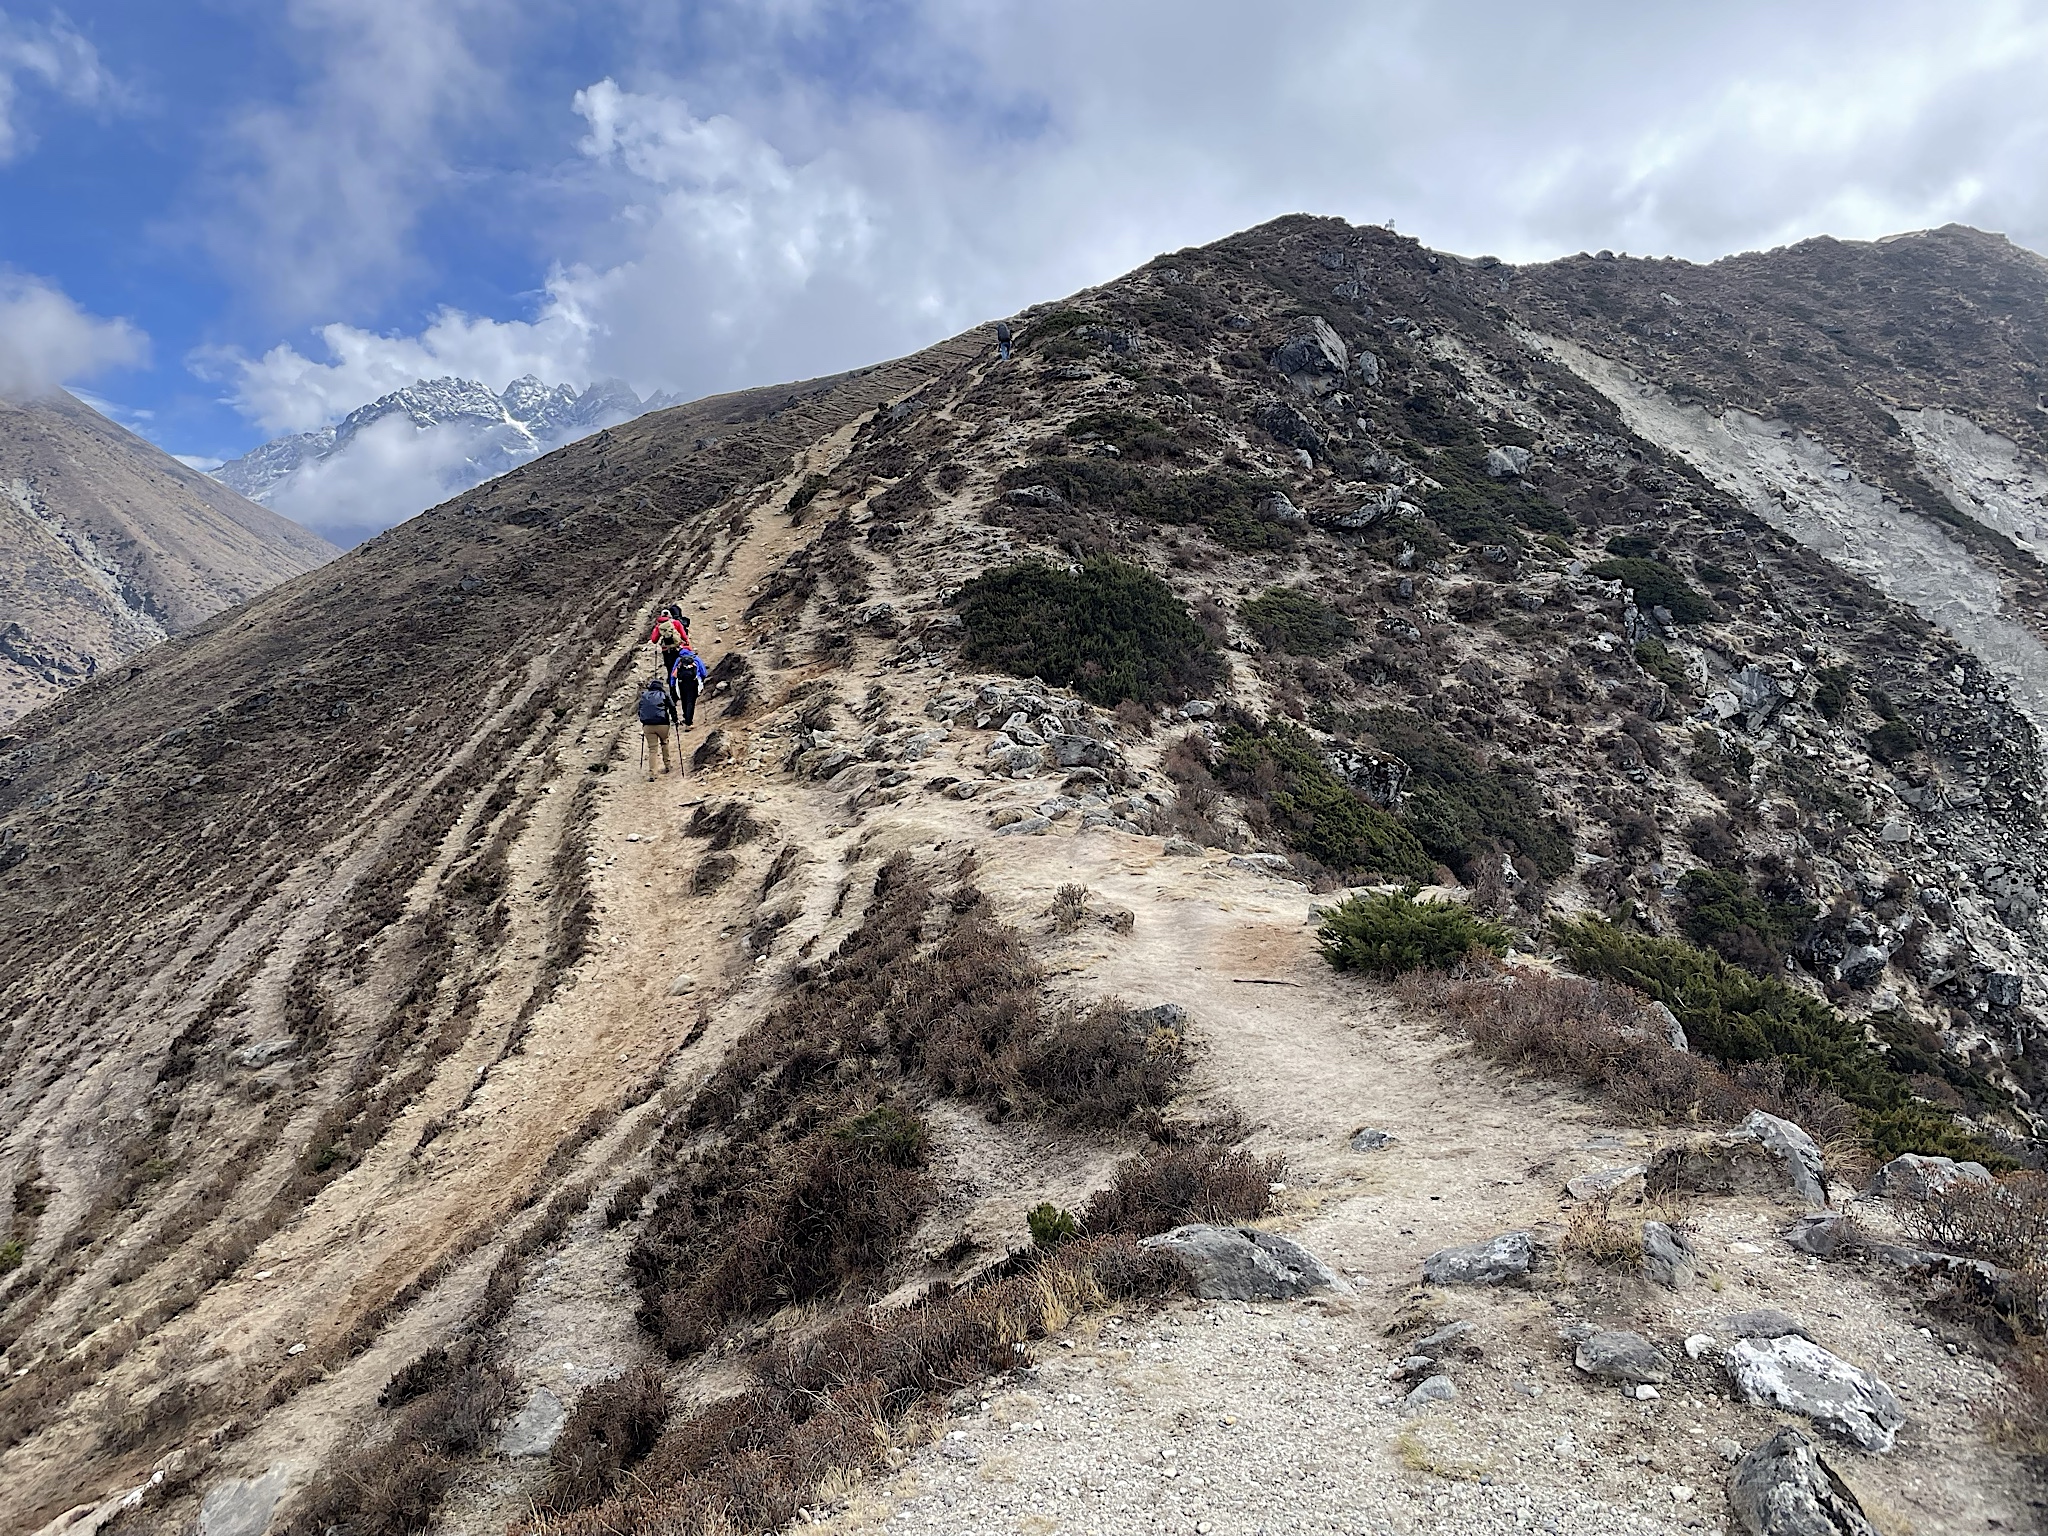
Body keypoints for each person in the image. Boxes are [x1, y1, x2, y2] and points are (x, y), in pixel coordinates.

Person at [636, 675, 676, 778]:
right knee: (664, 742)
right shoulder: (664, 695)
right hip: (663, 724)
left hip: (648, 726)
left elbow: (640, 710)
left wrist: (643, 721)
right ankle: (667, 765)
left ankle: (653, 773)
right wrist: (675, 720)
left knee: (652, 749)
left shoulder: (644, 695)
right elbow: (672, 707)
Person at [669, 644, 708, 728]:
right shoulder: (696, 658)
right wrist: (702, 680)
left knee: (684, 700)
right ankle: (689, 722)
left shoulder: (679, 659)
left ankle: (686, 717)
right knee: (691, 702)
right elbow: (704, 673)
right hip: (693, 682)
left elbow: (673, 674)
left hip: (681, 682)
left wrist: (672, 684)